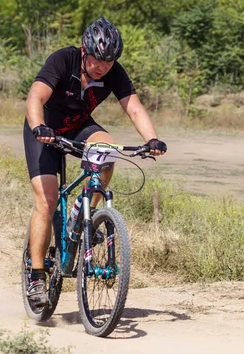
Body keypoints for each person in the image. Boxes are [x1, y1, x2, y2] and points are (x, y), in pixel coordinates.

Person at [23, 16, 167, 306]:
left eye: (109, 61)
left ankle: (85, 214)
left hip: (78, 126)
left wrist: (152, 139)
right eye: (97, 60)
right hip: (44, 131)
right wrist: (39, 127)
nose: (102, 66)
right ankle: (36, 276)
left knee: (108, 152)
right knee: (47, 201)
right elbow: (35, 99)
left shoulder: (113, 72)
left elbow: (135, 109)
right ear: (83, 50)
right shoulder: (63, 59)